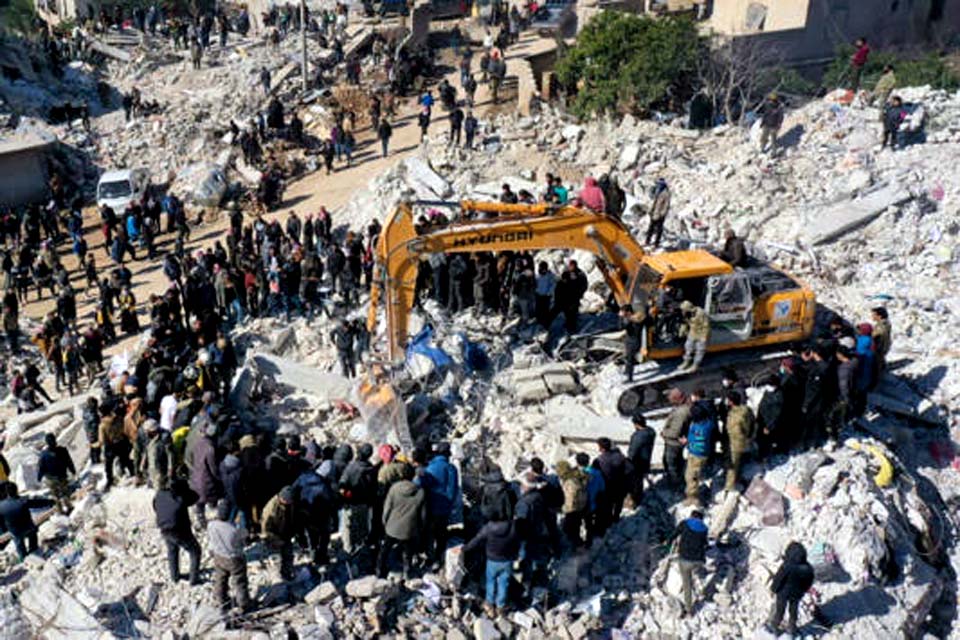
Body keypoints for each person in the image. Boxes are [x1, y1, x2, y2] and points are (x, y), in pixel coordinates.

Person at [463, 505, 520, 618]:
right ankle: (500, 606)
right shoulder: (513, 526)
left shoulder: (488, 527)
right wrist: (516, 555)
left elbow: (477, 540)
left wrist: (464, 549)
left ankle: (489, 604)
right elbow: (517, 542)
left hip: (492, 560)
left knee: (490, 581)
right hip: (507, 561)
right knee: (504, 583)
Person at [377, 463, 425, 578]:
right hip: (409, 528)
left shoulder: (394, 488)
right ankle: (407, 571)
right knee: (407, 551)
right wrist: (419, 528)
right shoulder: (420, 491)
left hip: (392, 527)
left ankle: (379, 570)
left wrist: (385, 521)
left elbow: (387, 508)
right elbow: (423, 515)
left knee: (385, 550)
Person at [417, 442, 459, 569]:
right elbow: (452, 491)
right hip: (443, 508)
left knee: (429, 532)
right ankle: (437, 559)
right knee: (441, 535)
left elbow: (422, 484)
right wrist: (449, 505)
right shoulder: (450, 468)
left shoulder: (430, 467)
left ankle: (428, 556)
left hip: (429, 505)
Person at [153, 478, 202, 584]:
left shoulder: (160, 494)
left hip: (163, 528)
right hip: (178, 530)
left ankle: (174, 577)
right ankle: (194, 579)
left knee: (172, 551)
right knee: (195, 551)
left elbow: (155, 506)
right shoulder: (181, 499)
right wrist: (187, 491)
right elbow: (196, 497)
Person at [208, 499, 251, 613]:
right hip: (234, 559)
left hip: (218, 556)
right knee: (240, 582)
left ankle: (221, 601)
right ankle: (243, 604)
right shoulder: (234, 530)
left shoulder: (211, 525)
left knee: (221, 579)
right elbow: (245, 540)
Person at [766, 541, 815, 635]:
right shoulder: (808, 568)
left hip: (783, 593)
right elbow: (809, 582)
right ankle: (792, 629)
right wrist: (803, 591)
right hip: (797, 594)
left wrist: (773, 589)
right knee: (793, 611)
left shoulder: (786, 566)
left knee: (780, 610)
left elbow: (778, 579)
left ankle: (774, 626)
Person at [670, 510, 708, 616]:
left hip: (685, 560)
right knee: (694, 572)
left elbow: (674, 534)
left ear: (691, 516)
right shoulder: (704, 529)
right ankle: (698, 584)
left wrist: (667, 542)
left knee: (687, 584)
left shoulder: (685, 523)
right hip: (699, 561)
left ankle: (689, 609)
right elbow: (705, 543)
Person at [261, 486, 297, 580]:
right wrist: (269, 538)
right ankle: (277, 578)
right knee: (276, 557)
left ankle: (287, 572)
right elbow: (265, 525)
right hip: (273, 534)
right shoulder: (271, 507)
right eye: (288, 501)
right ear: (282, 498)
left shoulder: (290, 502)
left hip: (286, 532)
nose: (289, 503)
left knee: (288, 554)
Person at [683, 402, 714, 505]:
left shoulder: (700, 429)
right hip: (699, 453)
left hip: (697, 455)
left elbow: (697, 442)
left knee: (691, 476)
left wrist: (687, 442)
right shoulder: (708, 423)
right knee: (692, 475)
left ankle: (692, 498)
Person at [37, 432, 76, 514]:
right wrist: (73, 470)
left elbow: (41, 467)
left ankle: (60, 510)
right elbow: (69, 462)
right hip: (62, 477)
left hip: (51, 479)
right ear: (55, 440)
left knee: (55, 496)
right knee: (65, 493)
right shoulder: (62, 450)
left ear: (47, 443)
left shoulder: (44, 454)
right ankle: (69, 507)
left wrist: (39, 477)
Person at [724, 390, 755, 491]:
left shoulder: (734, 417)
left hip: (736, 443)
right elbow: (753, 422)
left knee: (732, 465)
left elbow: (734, 433)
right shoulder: (746, 409)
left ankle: (730, 486)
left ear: (731, 402)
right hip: (746, 439)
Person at [593, 437, 628, 527]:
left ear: (602, 448)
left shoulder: (598, 461)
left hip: (607, 488)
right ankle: (616, 518)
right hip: (621, 485)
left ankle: (607, 522)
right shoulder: (620, 457)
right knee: (618, 504)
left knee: (608, 506)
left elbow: (594, 475)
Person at [661, 388, 690, 490]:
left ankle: (675, 485)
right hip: (674, 442)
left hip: (674, 443)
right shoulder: (680, 408)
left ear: (677, 399)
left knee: (672, 464)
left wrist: (664, 433)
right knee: (675, 462)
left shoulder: (681, 413)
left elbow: (675, 431)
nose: (669, 399)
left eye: (671, 397)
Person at [555, 459, 588, 547]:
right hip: (581, 506)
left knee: (570, 529)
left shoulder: (570, 483)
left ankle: (579, 548)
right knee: (574, 528)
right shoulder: (575, 476)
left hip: (574, 510)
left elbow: (570, 500)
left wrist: (562, 509)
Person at [627, 413, 655, 503]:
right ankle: (638, 495)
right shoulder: (651, 432)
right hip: (646, 459)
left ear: (636, 424)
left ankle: (635, 498)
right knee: (640, 479)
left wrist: (628, 460)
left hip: (637, 461)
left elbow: (632, 451)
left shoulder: (638, 436)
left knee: (635, 481)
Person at [679, 300, 710, 372]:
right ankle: (686, 362)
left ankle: (695, 365)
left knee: (700, 350)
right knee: (688, 347)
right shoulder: (686, 313)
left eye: (684, 310)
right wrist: (682, 331)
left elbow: (706, 326)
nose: (683, 311)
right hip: (692, 332)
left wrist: (704, 337)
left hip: (701, 333)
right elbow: (684, 322)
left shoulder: (701, 313)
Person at [621, 303, 645, 382]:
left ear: (628, 312)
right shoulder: (635, 319)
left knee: (630, 359)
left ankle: (629, 378)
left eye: (624, 311)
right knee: (627, 357)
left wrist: (622, 317)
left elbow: (622, 326)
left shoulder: (633, 321)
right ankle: (627, 371)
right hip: (630, 341)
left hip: (633, 342)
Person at [646, 178, 670, 247]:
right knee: (651, 227)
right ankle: (647, 241)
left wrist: (662, 214)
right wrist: (651, 211)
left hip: (659, 214)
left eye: (659, 184)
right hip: (654, 213)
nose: (658, 185)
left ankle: (657, 243)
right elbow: (654, 202)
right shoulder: (658, 191)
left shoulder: (666, 193)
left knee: (659, 229)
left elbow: (666, 205)